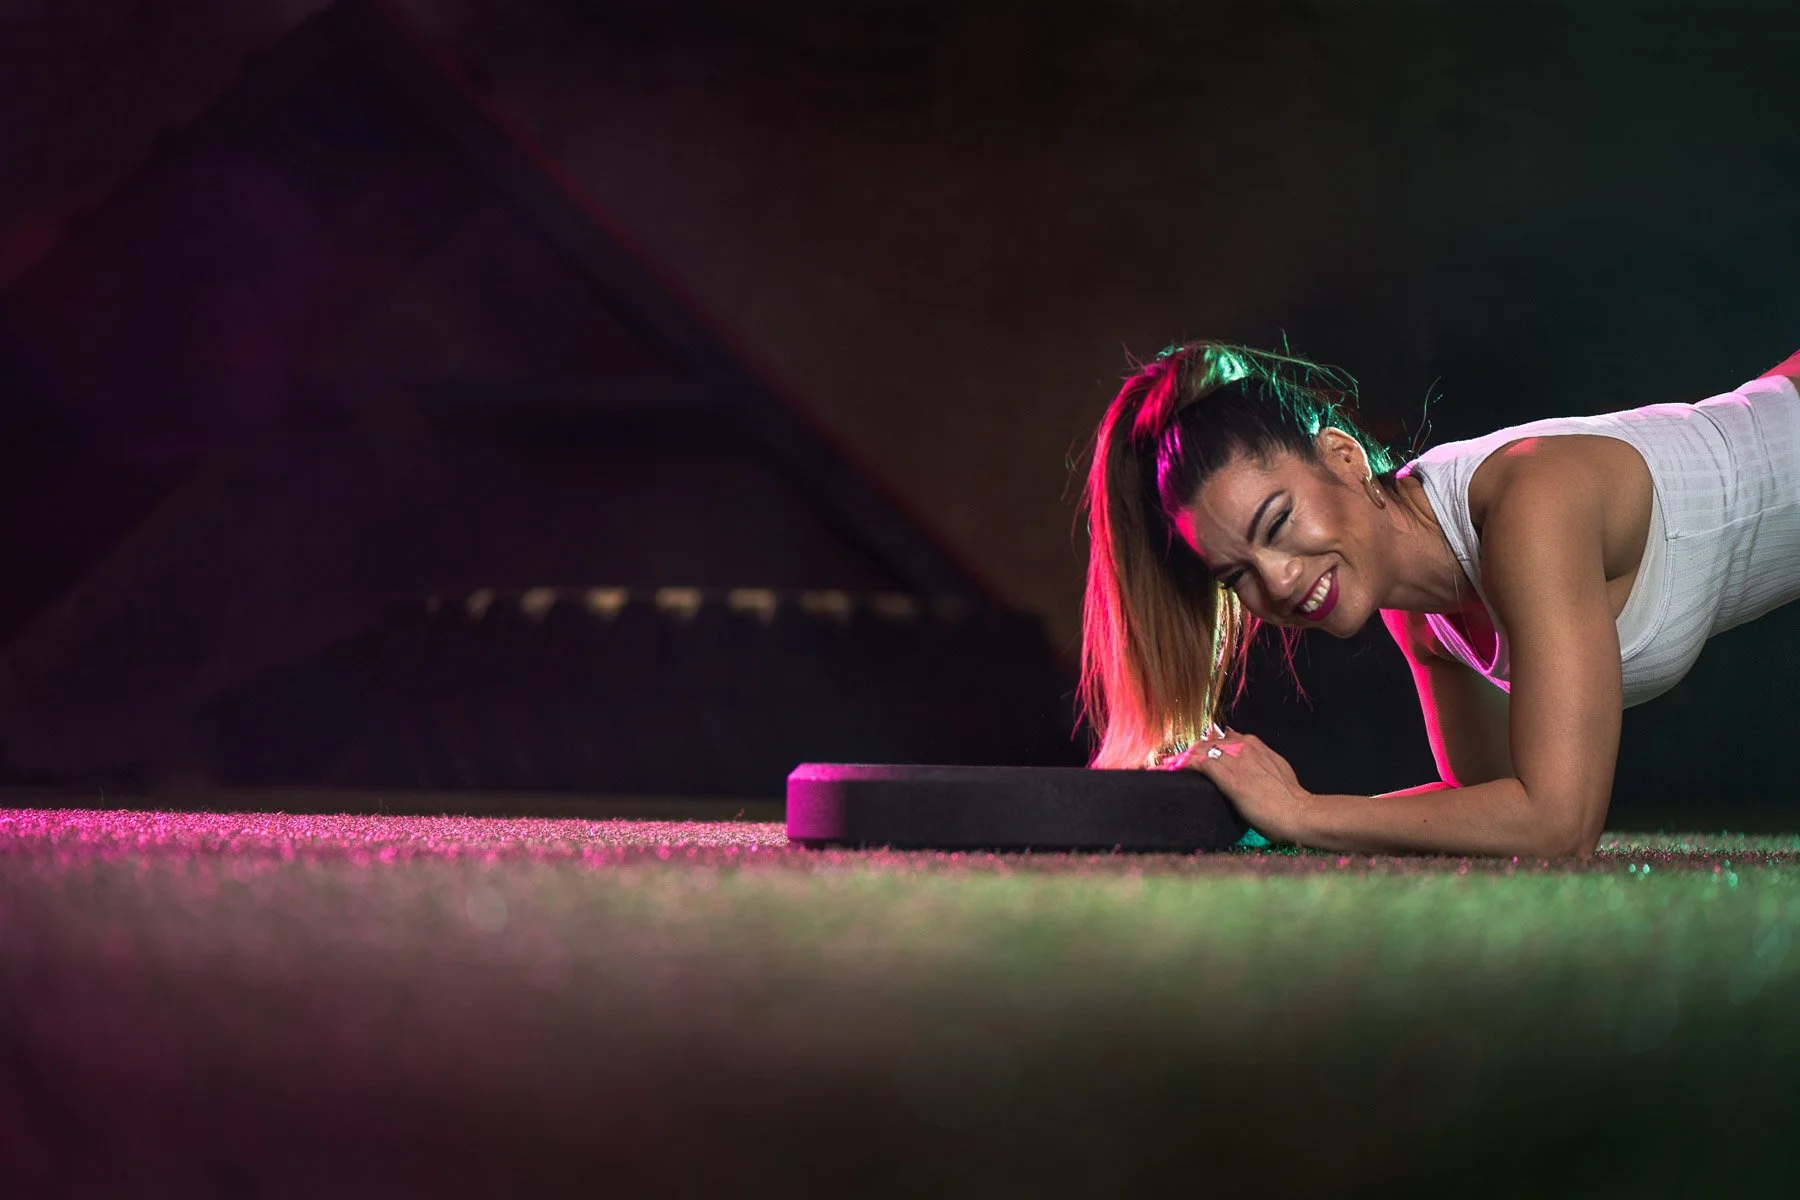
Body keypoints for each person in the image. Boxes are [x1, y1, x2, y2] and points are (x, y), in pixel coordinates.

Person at [1077, 341, 1800, 859]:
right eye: (1237, 576)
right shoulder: (1416, 615)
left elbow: (1557, 825)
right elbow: (1495, 805)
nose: (1280, 583)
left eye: (1279, 524)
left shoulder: (1528, 505)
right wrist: (1265, 813)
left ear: (1344, 457)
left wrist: (1304, 814)